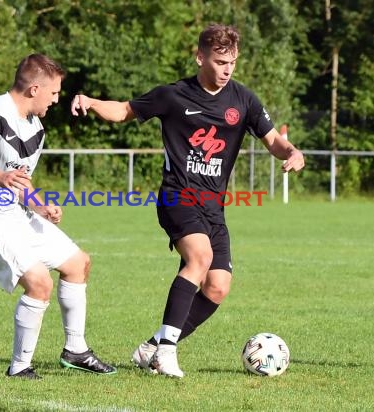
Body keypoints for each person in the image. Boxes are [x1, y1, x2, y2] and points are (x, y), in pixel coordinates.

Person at [70, 24, 305, 378]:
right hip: (177, 195)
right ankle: (167, 353)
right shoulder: (174, 95)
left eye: (233, 62)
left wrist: (292, 151)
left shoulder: (244, 100)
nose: (228, 69)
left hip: (214, 206)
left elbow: (273, 140)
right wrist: (89, 101)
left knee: (218, 286)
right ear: (200, 57)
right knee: (200, 257)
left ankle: (152, 345)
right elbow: (123, 110)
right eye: (221, 61)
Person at [0, 53, 116, 379]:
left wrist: (40, 205)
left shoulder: (35, 128)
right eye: (54, 93)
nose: (57, 99)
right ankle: (20, 367)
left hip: (11, 213)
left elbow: (18, 182)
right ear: (34, 89)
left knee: (78, 263)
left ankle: (76, 349)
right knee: (39, 281)